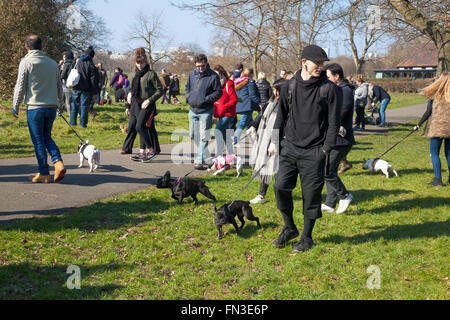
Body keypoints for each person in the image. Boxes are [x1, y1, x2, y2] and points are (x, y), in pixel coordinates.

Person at [268, 44, 340, 253]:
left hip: (314, 152)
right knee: (280, 187)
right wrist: (274, 142)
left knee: (311, 196)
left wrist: (325, 150)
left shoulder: (328, 89)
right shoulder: (289, 87)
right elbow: (280, 117)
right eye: (316, 63)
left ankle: (307, 237)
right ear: (304, 63)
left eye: (322, 64)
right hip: (289, 148)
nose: (320, 67)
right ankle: (289, 227)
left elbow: (334, 123)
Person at [12, 34, 66, 183]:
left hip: (34, 107)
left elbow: (20, 86)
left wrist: (15, 107)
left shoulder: (26, 62)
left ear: (26, 47)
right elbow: (59, 86)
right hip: (50, 107)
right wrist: (61, 104)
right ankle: (58, 161)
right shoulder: (53, 63)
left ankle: (44, 172)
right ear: (42, 47)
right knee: (46, 137)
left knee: (38, 141)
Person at [322, 63, 355, 213]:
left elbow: (342, 111)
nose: (326, 80)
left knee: (327, 170)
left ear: (336, 77)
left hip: (342, 140)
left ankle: (345, 195)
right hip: (334, 138)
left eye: (328, 77)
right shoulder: (337, 89)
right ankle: (330, 203)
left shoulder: (345, 90)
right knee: (330, 170)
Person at [248, 78, 286, 204]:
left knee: (279, 170)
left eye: (276, 90)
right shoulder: (271, 103)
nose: (274, 92)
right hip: (266, 140)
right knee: (266, 166)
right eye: (274, 89)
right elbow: (260, 116)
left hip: (280, 141)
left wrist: (274, 142)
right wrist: (253, 126)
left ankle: (283, 194)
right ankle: (261, 195)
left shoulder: (287, 105)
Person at [185, 54, 222, 170]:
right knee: (192, 135)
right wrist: (188, 97)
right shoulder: (192, 74)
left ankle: (199, 160)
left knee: (203, 136)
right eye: (198, 66)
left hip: (206, 110)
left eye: (202, 66)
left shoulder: (213, 76)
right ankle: (204, 154)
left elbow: (218, 92)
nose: (200, 68)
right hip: (193, 109)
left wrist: (206, 99)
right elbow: (187, 87)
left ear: (206, 63)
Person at [126, 48, 163, 162]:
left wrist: (149, 100)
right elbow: (133, 88)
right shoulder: (136, 74)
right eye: (137, 63)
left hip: (148, 104)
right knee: (140, 127)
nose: (139, 65)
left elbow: (160, 90)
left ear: (145, 62)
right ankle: (142, 152)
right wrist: (130, 93)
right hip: (137, 103)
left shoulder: (151, 74)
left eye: (141, 63)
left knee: (139, 126)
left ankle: (151, 151)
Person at [413, 72, 450, 186]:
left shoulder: (435, 96)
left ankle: (438, 180)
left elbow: (428, 112)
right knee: (449, 153)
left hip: (437, 129)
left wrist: (418, 125)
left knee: (434, 154)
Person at [212, 65, 238, 157]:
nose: (215, 76)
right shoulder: (215, 85)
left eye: (217, 74)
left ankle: (219, 155)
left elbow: (234, 100)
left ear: (222, 74)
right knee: (224, 134)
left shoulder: (228, 84)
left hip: (228, 114)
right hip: (220, 114)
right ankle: (231, 154)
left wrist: (223, 106)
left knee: (217, 131)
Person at [70, 46, 99, 128]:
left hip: (76, 87)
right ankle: (83, 124)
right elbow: (93, 81)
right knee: (84, 107)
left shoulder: (77, 62)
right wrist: (94, 93)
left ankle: (72, 122)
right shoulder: (91, 65)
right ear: (92, 56)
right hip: (86, 89)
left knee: (74, 105)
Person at [233, 68, 262, 145]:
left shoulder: (238, 81)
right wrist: (259, 102)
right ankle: (235, 139)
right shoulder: (249, 82)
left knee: (249, 123)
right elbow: (252, 94)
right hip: (247, 105)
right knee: (242, 122)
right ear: (251, 74)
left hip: (240, 104)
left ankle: (254, 141)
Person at [60, 50, 75, 115]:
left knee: (68, 102)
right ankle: (76, 114)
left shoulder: (66, 64)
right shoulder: (76, 63)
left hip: (67, 84)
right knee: (73, 102)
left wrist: (61, 70)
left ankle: (71, 116)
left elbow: (62, 75)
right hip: (75, 85)